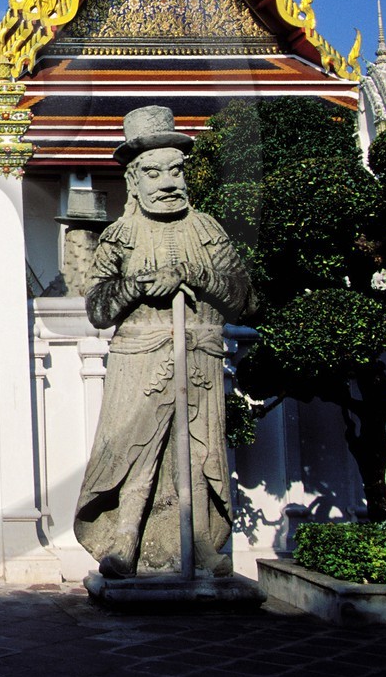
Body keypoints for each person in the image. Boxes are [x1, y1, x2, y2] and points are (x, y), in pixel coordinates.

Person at [75, 106, 254, 578]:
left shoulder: (207, 230)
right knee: (135, 453)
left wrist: (195, 273)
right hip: (140, 360)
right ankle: (125, 540)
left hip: (198, 356)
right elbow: (97, 309)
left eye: (176, 170)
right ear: (134, 182)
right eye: (153, 173)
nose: (168, 182)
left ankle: (202, 545)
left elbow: (245, 298)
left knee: (199, 454)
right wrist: (137, 285)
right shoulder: (120, 237)